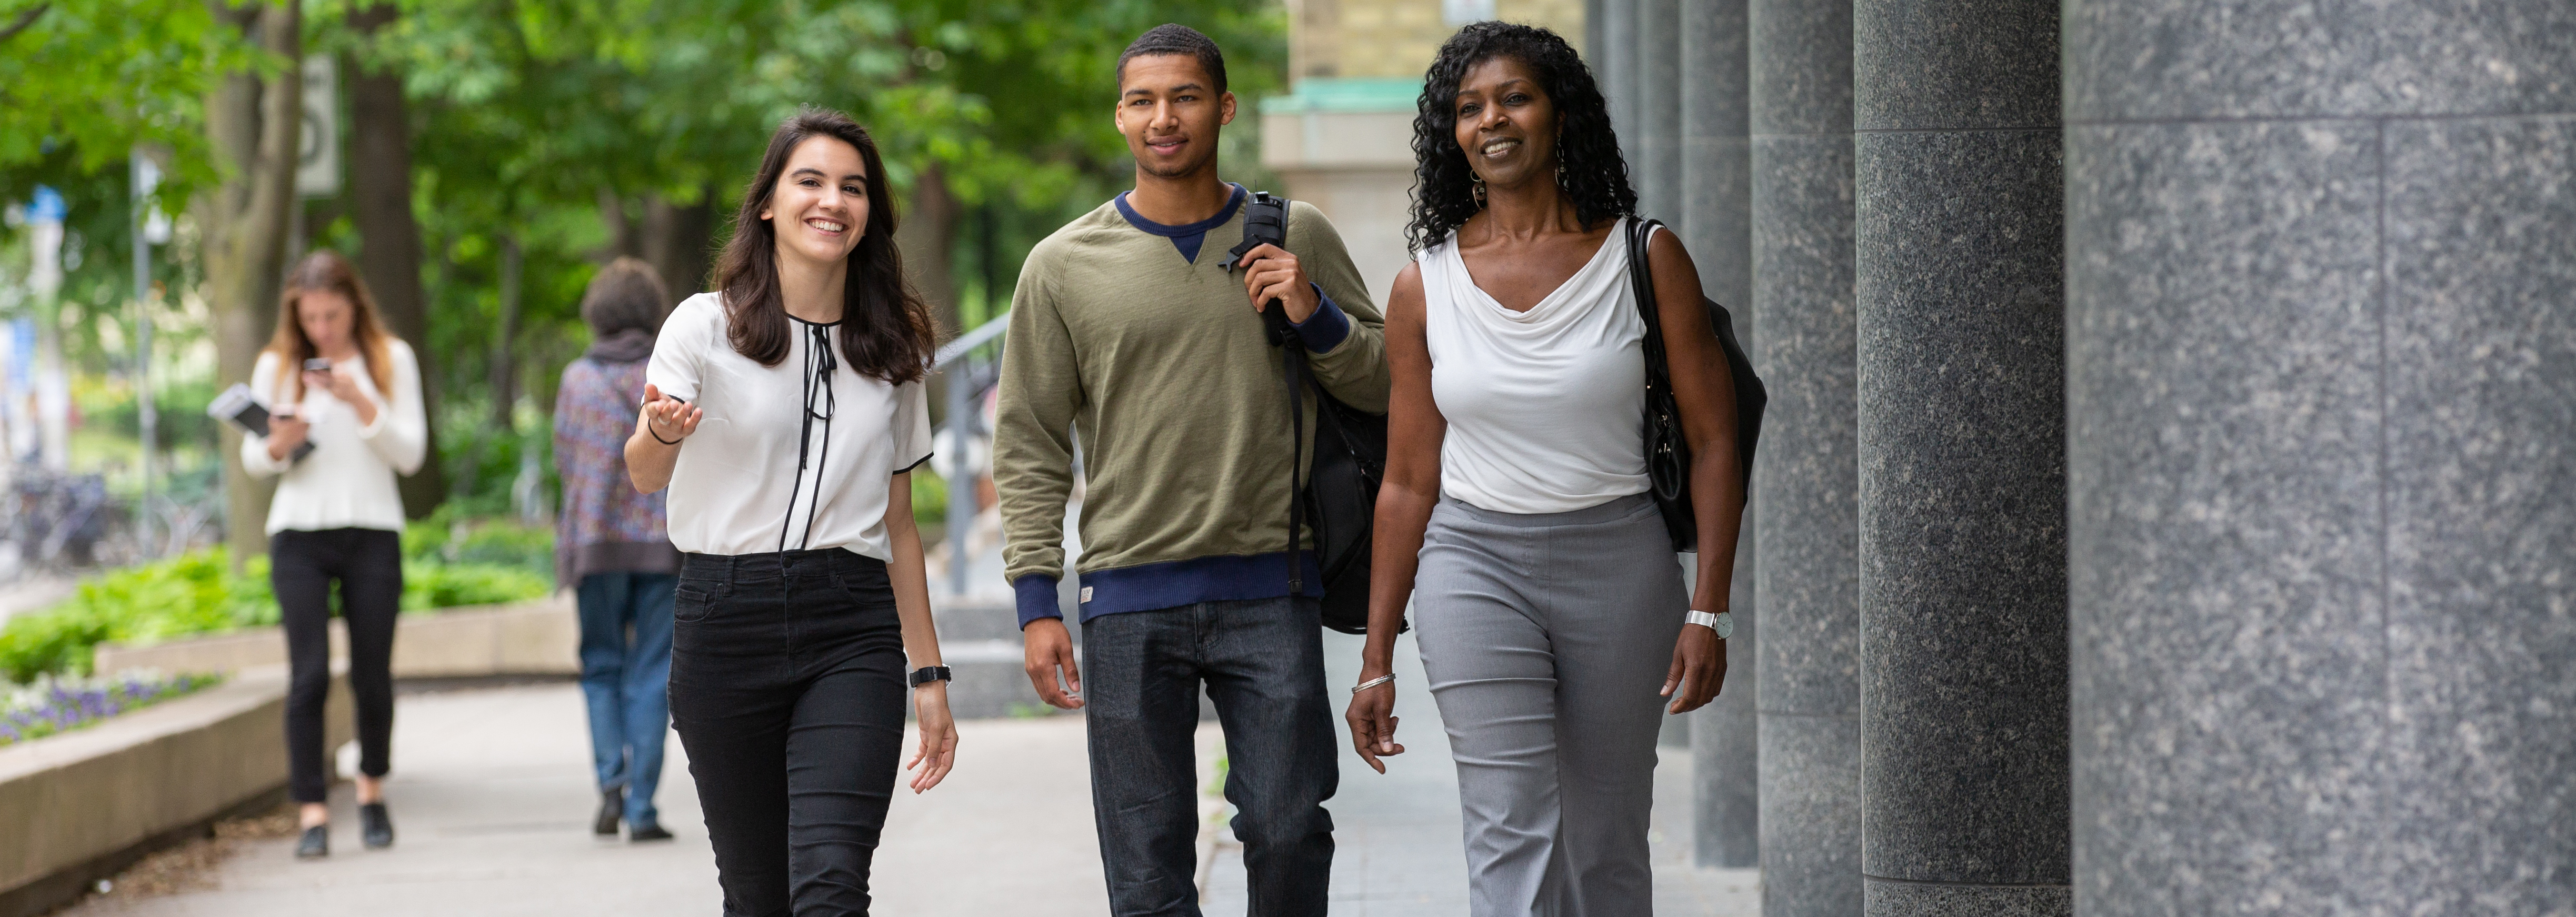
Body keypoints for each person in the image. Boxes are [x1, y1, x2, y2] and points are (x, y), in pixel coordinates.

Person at [1341, 22, 1744, 916]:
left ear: (1560, 115)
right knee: (1510, 826)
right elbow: (1407, 480)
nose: (1492, 120)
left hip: (1620, 562)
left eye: (1513, 97)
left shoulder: (1643, 257)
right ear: (1449, 133)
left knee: (1603, 841)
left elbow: (1716, 441)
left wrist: (1707, 606)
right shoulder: (1424, 286)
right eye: (1468, 107)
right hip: (1472, 565)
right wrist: (1374, 658)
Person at [992, 23, 1390, 916]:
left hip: (1269, 587)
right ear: (1119, 117)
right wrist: (1033, 603)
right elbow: (1028, 441)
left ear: (1223, 108)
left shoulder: (1296, 235)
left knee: (1289, 831)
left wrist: (1312, 311)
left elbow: (1390, 385)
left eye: (1183, 97)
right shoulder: (1060, 266)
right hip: (1126, 597)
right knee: (1144, 871)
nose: (1162, 118)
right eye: (1142, 100)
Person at [626, 108, 957, 915]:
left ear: (870, 212)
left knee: (832, 886)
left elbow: (901, 522)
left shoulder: (893, 344)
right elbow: (643, 474)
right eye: (809, 181)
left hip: (852, 624)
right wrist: (662, 433)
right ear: (768, 202)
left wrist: (930, 675)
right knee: (758, 894)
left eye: (852, 187)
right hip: (722, 616)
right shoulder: (703, 327)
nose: (831, 201)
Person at [241, 250, 430, 860]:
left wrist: (360, 401)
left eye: (332, 314)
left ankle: (371, 791)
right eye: (311, 317)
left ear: (355, 305)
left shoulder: (389, 358)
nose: (322, 328)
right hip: (298, 533)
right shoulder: (278, 364)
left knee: (372, 673)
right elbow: (255, 460)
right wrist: (280, 443)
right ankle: (313, 810)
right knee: (309, 674)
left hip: (373, 530)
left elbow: (411, 455)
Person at [555, 257, 682, 843]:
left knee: (601, 668)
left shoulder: (576, 379)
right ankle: (642, 809)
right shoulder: (665, 373)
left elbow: (566, 466)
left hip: (594, 545)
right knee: (652, 673)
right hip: (661, 545)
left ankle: (610, 781)